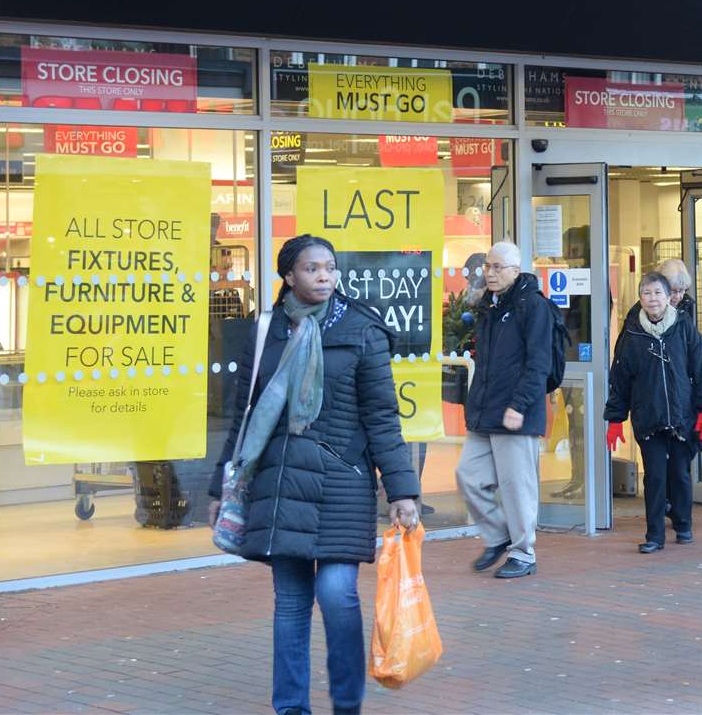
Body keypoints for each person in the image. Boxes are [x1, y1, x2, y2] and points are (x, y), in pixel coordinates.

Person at [207, 234, 420, 715]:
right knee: (291, 603)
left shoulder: (363, 329)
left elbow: (383, 416)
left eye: (329, 267)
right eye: (311, 269)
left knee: (338, 593)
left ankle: (346, 704)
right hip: (280, 482)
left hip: (341, 481)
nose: (324, 276)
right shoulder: (265, 330)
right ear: (288, 276)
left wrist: (402, 488)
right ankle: (291, 707)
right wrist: (222, 482)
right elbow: (243, 414)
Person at [455, 240, 554, 579]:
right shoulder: (490, 306)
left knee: (516, 487)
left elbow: (538, 363)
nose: (490, 273)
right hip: (486, 410)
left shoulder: (532, 306)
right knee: (467, 475)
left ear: (515, 270)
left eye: (498, 267)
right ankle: (499, 536)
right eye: (488, 266)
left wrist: (519, 404)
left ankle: (524, 554)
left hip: (516, 412)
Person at [604, 271, 702, 552]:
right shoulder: (631, 333)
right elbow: (619, 378)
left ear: (669, 297)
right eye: (646, 293)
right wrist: (615, 418)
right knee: (654, 476)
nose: (652, 299)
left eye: (658, 293)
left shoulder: (684, 327)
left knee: (680, 473)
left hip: (682, 415)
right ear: (640, 298)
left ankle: (683, 525)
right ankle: (654, 535)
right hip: (648, 416)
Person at [657, 258, 696, 322]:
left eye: (681, 290)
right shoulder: (648, 306)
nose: (677, 296)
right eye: (673, 290)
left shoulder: (688, 305)